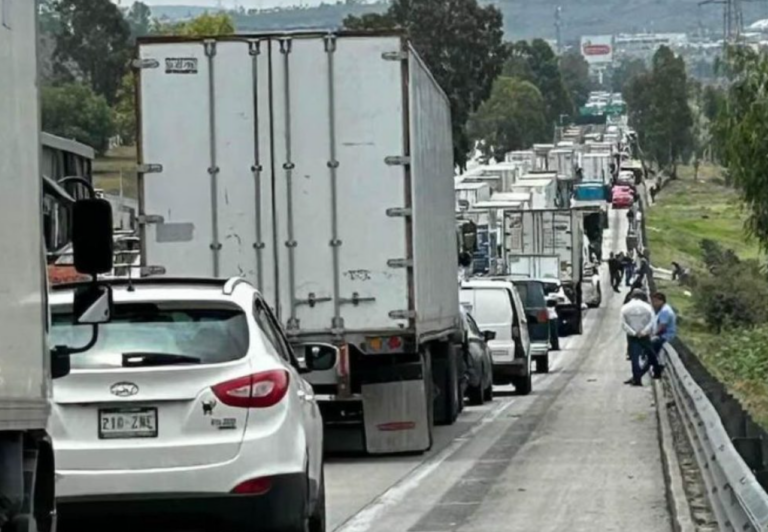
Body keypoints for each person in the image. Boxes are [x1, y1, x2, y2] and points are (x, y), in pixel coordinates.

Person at [621, 289, 660, 386]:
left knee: (634, 358)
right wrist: (644, 331)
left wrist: (633, 332)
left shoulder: (625, 308)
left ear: (631, 296)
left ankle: (637, 379)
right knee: (651, 354)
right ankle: (657, 372)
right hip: (644, 335)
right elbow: (652, 321)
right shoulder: (647, 307)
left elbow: (623, 324)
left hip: (632, 336)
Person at [651, 292, 677, 376]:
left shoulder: (665, 311)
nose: (653, 304)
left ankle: (657, 367)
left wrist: (653, 335)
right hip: (664, 334)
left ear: (661, 301)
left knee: (651, 348)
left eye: (655, 301)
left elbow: (662, 327)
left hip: (666, 335)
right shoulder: (663, 309)